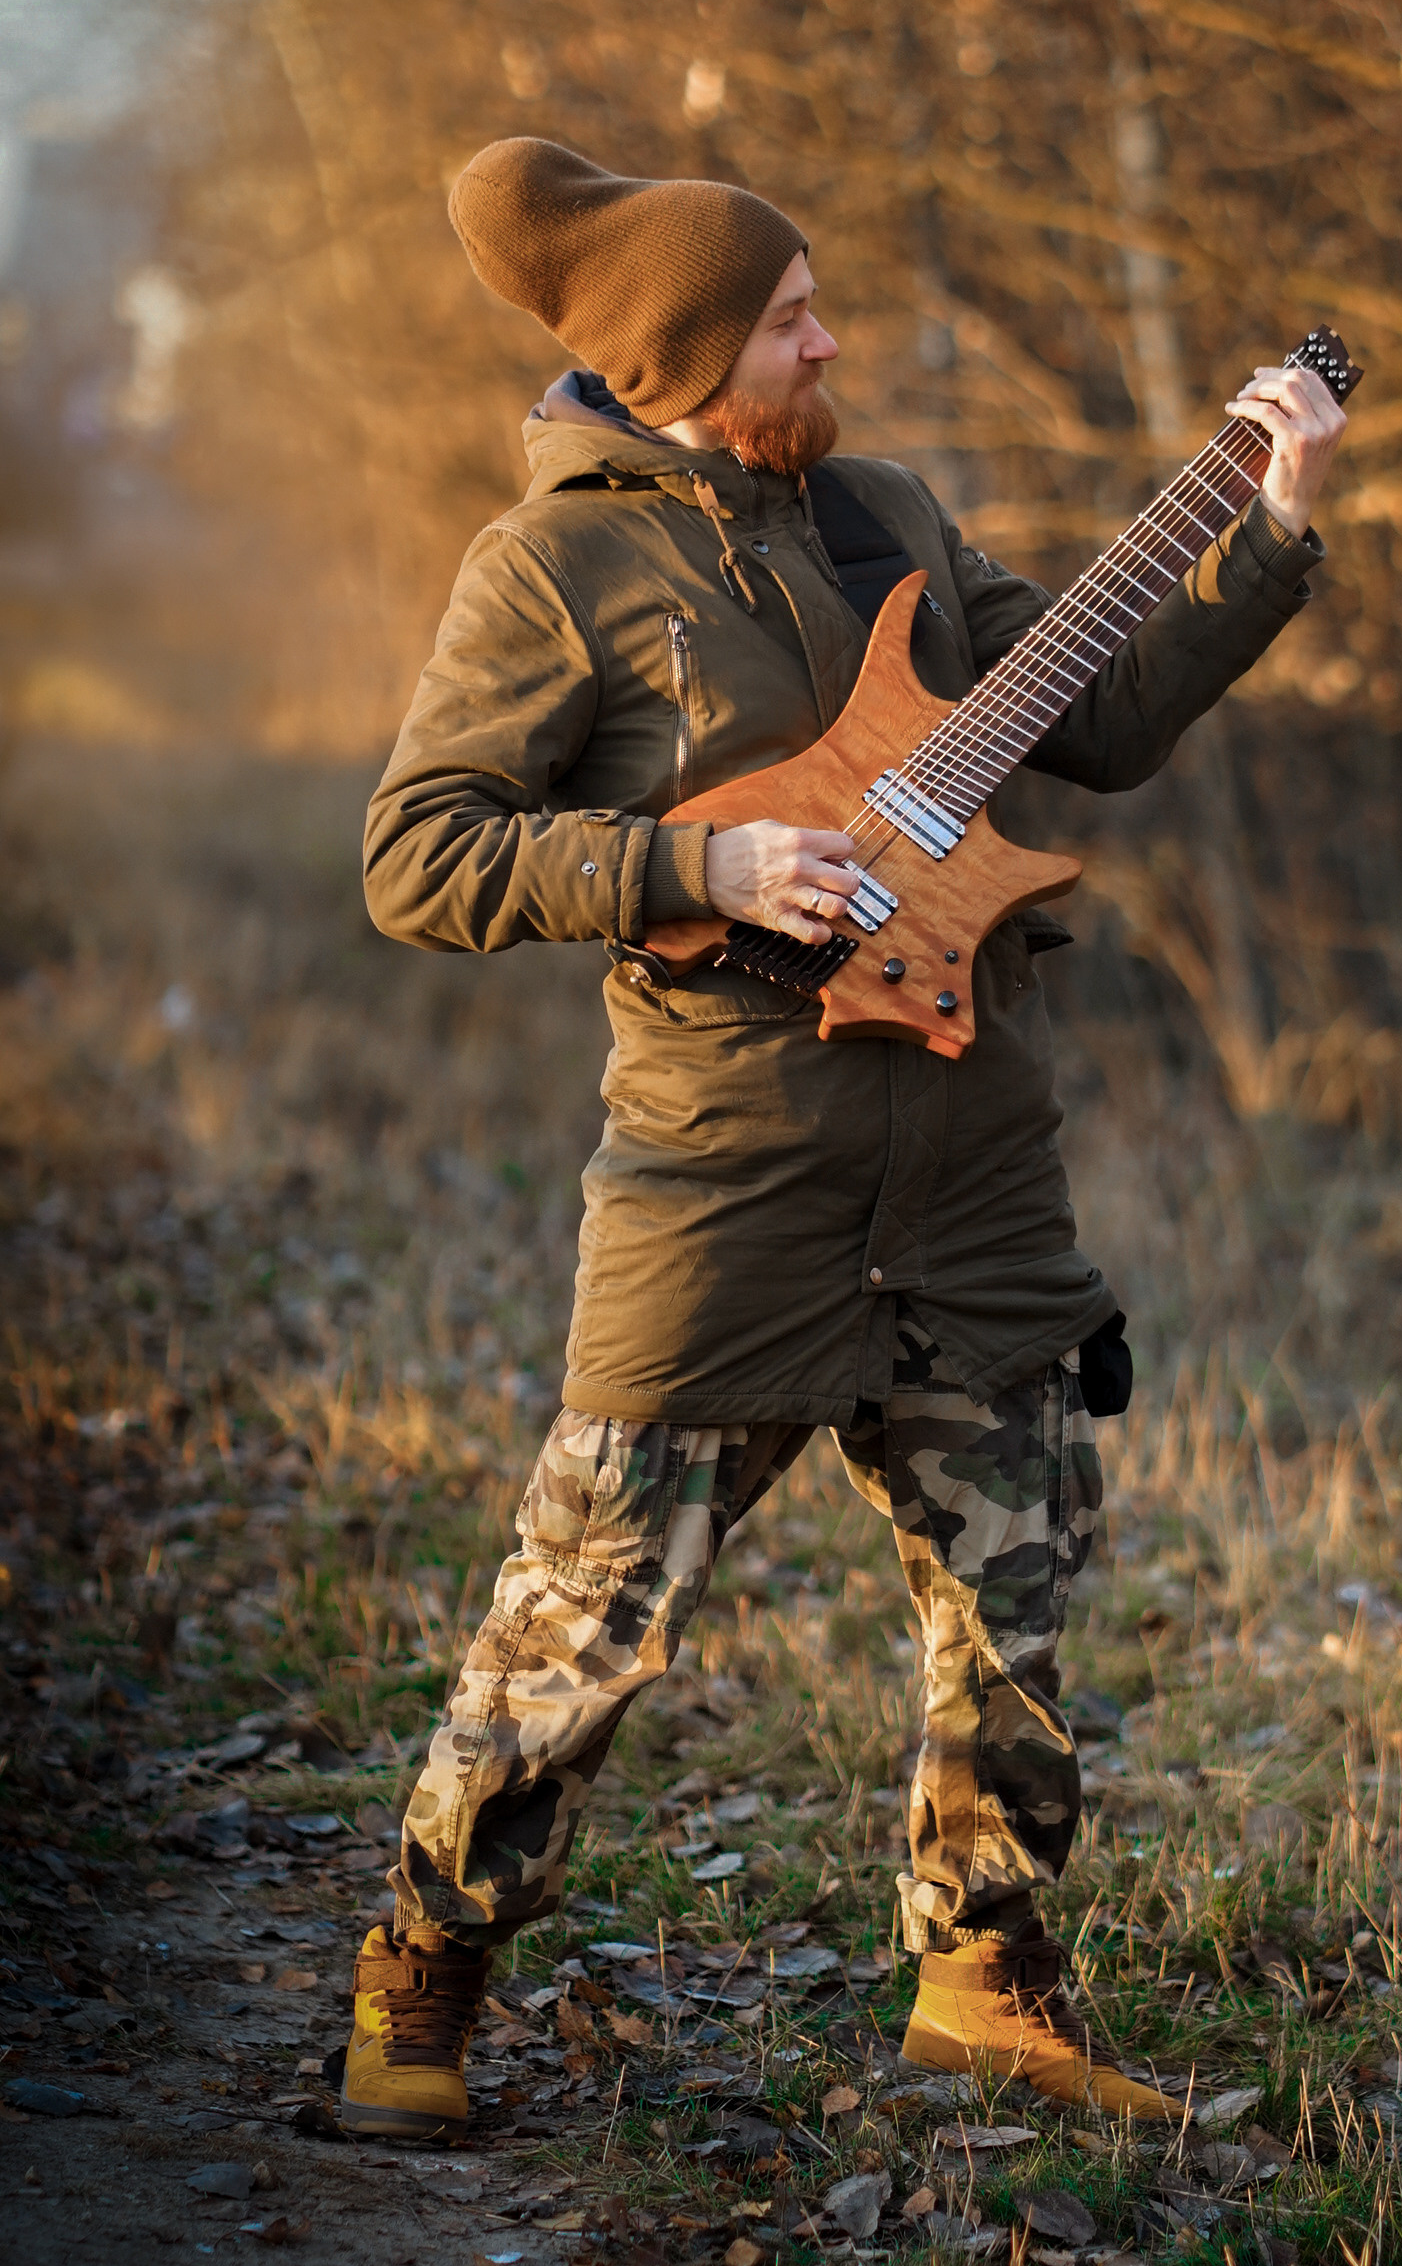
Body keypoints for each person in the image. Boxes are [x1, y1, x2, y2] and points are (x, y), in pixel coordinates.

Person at [337, 137, 1345, 2141]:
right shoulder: (554, 571)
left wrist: (1277, 514)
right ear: (680, 365)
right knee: (591, 1608)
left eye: (813, 304)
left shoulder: (883, 513)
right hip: (730, 1164)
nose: (831, 341)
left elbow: (1110, 718)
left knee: (1016, 1589)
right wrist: (691, 854)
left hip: (970, 1148)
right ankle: (421, 1989)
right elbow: (417, 856)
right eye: (793, 321)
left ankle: (985, 1983)